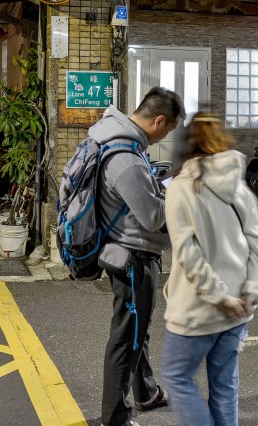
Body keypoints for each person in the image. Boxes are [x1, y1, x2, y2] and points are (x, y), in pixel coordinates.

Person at [161, 113, 258, 426]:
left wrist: (218, 296)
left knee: (176, 377)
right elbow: (257, 247)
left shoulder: (181, 188)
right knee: (224, 386)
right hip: (238, 309)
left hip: (198, 310)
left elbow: (187, 253)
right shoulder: (241, 191)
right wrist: (252, 292)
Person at [91, 86, 183, 426]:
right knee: (125, 337)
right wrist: (179, 196)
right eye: (169, 129)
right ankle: (114, 418)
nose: (167, 135)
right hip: (133, 256)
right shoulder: (126, 157)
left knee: (136, 330)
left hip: (128, 250)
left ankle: (145, 392)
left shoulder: (117, 140)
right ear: (158, 120)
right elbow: (153, 217)